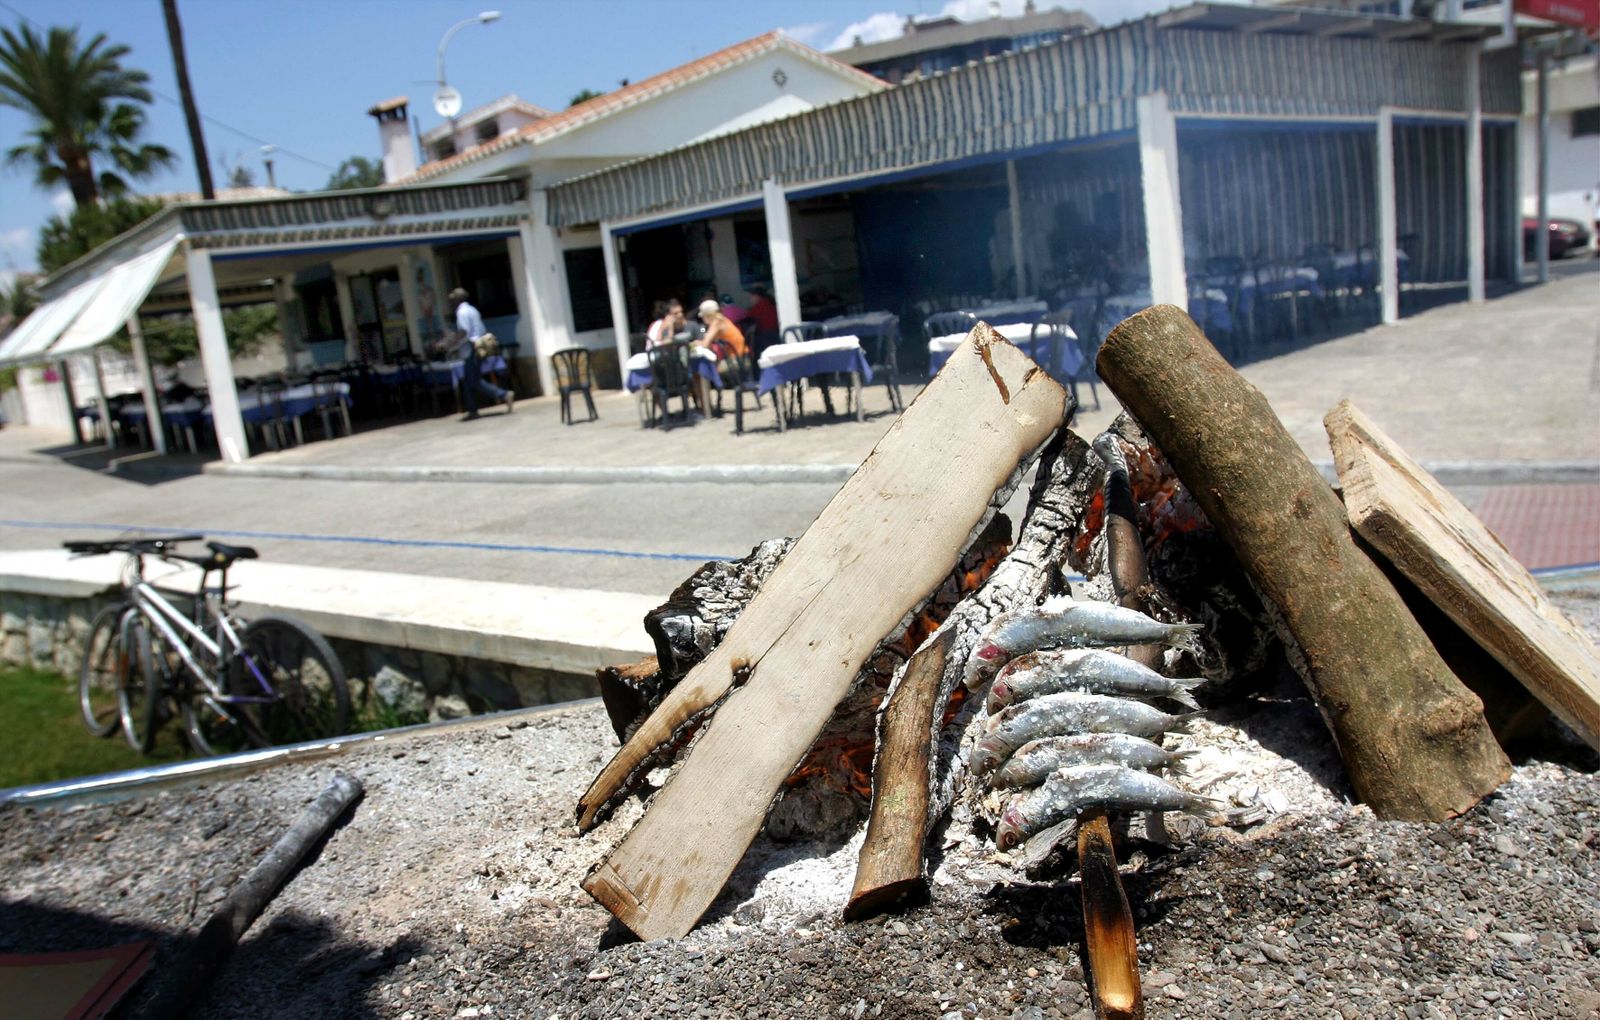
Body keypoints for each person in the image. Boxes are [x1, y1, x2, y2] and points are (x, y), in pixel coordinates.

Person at [449, 286, 513, 420]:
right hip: (479, 347)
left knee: (474, 380)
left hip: (471, 349)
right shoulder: (473, 310)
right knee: (468, 381)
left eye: (453, 300)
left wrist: (453, 344)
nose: (452, 303)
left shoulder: (461, 313)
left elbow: (464, 332)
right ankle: (472, 409)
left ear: (457, 300)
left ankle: (503, 394)